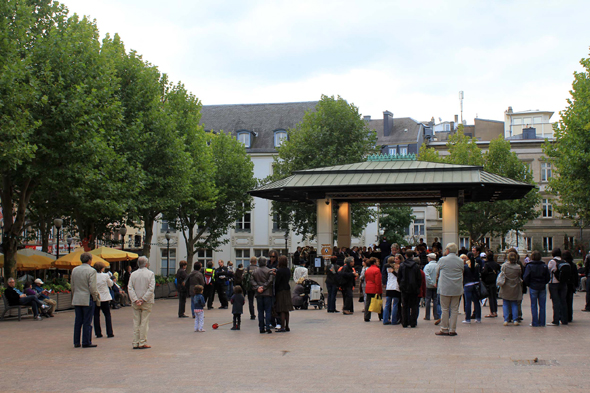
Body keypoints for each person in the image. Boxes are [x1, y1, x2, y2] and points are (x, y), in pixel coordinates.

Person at [71, 253, 100, 347]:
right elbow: (92, 286)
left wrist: (74, 294)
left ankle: (76, 341)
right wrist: (95, 297)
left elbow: (72, 285)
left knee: (78, 321)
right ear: (90, 260)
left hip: (77, 297)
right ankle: (86, 341)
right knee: (87, 321)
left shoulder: (75, 270)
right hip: (87, 298)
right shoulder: (91, 271)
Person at [435, 243, 464, 337]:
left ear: (447, 250)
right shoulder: (460, 260)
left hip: (445, 288)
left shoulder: (442, 260)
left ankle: (444, 328)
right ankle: (452, 329)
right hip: (457, 288)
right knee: (455, 309)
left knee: (445, 309)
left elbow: (437, 272)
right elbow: (462, 271)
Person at [128, 256, 155, 349]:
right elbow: (151, 288)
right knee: (144, 322)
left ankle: (135, 342)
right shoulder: (150, 274)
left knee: (136, 322)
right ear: (146, 264)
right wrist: (143, 299)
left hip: (136, 301)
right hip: (146, 301)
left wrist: (135, 299)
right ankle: (142, 342)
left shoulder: (133, 274)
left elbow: (130, 288)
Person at [523, 250, 550, 327]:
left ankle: (535, 322)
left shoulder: (529, 266)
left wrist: (529, 284)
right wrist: (544, 282)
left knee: (533, 305)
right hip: (542, 286)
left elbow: (526, 277)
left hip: (533, 286)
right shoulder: (544, 266)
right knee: (542, 305)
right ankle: (542, 322)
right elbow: (548, 277)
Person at [398, 250, 422, 328]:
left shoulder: (402, 266)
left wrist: (401, 285)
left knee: (405, 306)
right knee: (414, 306)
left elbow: (399, 277)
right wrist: (417, 286)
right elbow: (419, 278)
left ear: (406, 256)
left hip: (404, 288)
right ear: (412, 256)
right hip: (414, 288)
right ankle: (413, 322)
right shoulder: (416, 266)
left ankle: (405, 322)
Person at [499, 251, 523, 326]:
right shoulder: (518, 267)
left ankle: (506, 319)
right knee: (514, 303)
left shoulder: (504, 266)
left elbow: (502, 274)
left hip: (506, 285)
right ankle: (515, 319)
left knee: (505, 303)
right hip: (515, 286)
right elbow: (520, 275)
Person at [251, 256, 274, 334]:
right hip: (267, 293)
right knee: (268, 310)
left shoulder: (254, 271)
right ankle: (267, 326)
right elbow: (270, 281)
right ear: (265, 262)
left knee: (260, 311)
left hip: (259, 293)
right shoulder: (269, 271)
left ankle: (261, 327)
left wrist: (258, 287)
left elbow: (252, 280)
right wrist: (264, 287)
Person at [93, 262, 114, 339]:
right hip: (105, 297)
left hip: (96, 297)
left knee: (96, 315)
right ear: (102, 268)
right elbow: (110, 284)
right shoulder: (105, 276)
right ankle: (109, 332)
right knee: (107, 314)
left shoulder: (93, 276)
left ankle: (98, 333)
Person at [547, 248, 568, 326]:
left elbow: (548, 270)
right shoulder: (564, 262)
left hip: (554, 283)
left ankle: (556, 320)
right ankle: (564, 320)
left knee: (556, 302)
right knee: (563, 301)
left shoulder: (552, 262)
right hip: (563, 283)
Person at [274, 256, 293, 332]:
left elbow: (277, 282)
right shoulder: (288, 270)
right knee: (286, 310)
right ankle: (287, 326)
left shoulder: (279, 271)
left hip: (280, 290)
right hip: (287, 289)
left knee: (281, 309)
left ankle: (282, 326)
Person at [462, 253, 481, 324]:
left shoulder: (465, 266)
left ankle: (467, 318)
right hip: (476, 285)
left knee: (468, 302)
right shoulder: (477, 265)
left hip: (467, 285)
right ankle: (478, 318)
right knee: (476, 302)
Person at [383, 256, 401, 325]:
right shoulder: (397, 267)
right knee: (395, 304)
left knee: (387, 304)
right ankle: (394, 320)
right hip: (396, 286)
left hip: (389, 286)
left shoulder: (388, 268)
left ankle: (385, 319)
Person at [481, 252, 500, 318]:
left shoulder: (487, 264)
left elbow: (484, 272)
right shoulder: (496, 264)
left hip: (488, 282)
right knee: (494, 297)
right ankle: (495, 311)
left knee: (491, 298)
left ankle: (492, 312)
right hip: (495, 281)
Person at [363, 257, 382, 322]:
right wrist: (378, 290)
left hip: (368, 287)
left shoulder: (367, 269)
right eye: (377, 262)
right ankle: (381, 316)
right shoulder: (377, 270)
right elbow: (378, 281)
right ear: (374, 262)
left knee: (368, 302)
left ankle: (366, 316)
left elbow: (366, 279)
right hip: (374, 287)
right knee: (378, 302)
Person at [562, 250, 578, 323]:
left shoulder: (563, 264)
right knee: (569, 301)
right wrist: (576, 285)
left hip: (564, 284)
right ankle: (569, 316)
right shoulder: (573, 265)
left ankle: (563, 316)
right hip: (571, 284)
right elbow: (576, 276)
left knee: (563, 300)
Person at [423, 253, 440, 322]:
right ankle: (436, 315)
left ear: (429, 258)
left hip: (429, 286)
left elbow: (426, 276)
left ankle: (427, 316)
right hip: (437, 285)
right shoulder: (438, 266)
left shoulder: (427, 266)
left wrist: (431, 283)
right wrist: (436, 283)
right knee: (435, 300)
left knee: (427, 300)